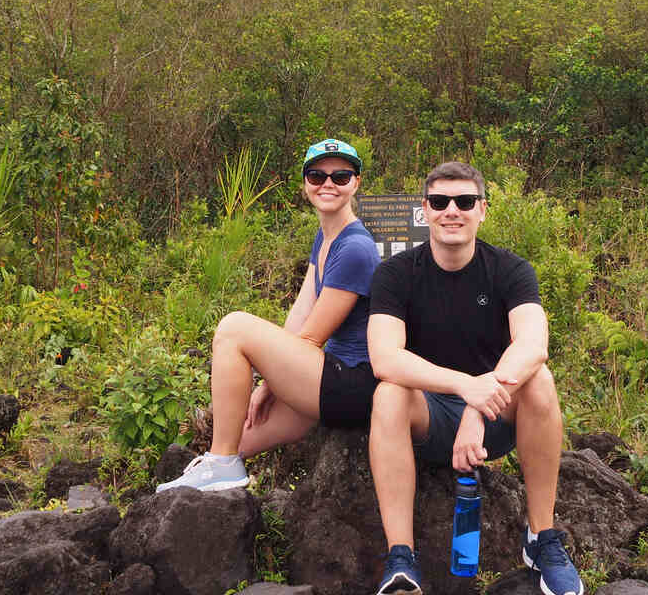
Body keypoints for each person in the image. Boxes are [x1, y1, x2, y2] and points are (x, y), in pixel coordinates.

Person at [366, 161, 583, 595]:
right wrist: (467, 388)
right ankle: (401, 557)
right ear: (424, 210)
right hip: (429, 413)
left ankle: (541, 538)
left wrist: (479, 408)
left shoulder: (509, 270)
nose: (453, 211)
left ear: (482, 209)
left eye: (465, 201)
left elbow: (533, 344)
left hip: (495, 414)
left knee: (540, 379)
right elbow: (384, 357)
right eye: (441, 201)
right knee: (389, 393)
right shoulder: (396, 273)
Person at [157, 139, 381, 492]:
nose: (328, 184)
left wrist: (271, 383)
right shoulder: (325, 238)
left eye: (340, 176)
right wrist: (269, 382)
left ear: (356, 183)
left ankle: (222, 463)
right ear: (305, 183)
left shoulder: (355, 247)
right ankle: (221, 465)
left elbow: (311, 338)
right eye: (316, 175)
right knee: (238, 436)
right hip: (326, 377)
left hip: (352, 385)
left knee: (233, 328)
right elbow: (299, 315)